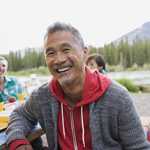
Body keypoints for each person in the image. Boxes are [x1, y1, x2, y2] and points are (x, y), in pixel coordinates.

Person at [6, 22, 150, 150]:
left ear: (84, 53)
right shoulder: (43, 95)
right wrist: (16, 138)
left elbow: (139, 147)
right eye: (51, 53)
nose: (59, 59)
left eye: (66, 49)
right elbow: (20, 114)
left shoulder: (117, 96)